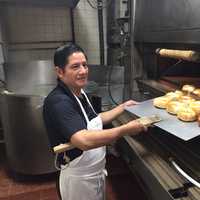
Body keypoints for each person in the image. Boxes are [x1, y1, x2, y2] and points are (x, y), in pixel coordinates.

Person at [43, 42, 147, 200]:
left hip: (94, 174)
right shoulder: (59, 102)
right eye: (75, 66)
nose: (83, 71)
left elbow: (95, 120)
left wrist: (123, 107)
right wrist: (124, 130)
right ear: (59, 71)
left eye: (85, 65)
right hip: (79, 181)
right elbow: (83, 140)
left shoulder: (79, 93)